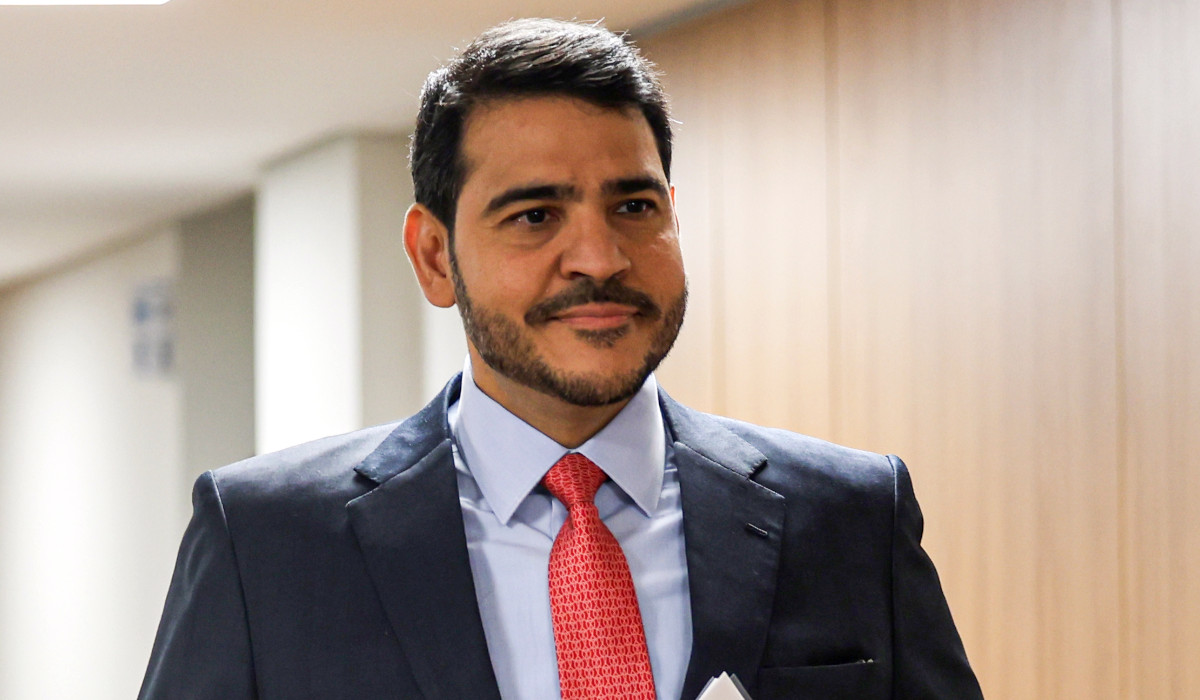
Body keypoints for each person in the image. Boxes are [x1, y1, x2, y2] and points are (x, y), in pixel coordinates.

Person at [138, 18, 983, 700]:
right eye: (535, 216)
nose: (600, 258)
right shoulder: (267, 544)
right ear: (434, 257)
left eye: (634, 206)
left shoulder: (849, 518)